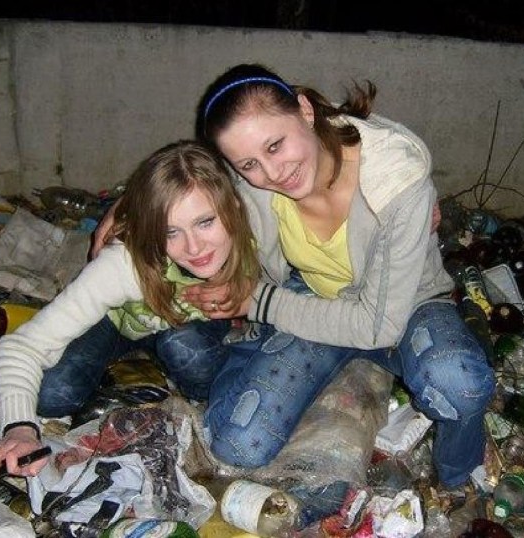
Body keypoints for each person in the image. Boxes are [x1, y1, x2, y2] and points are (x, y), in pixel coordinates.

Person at [95, 63, 495, 489]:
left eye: (275, 146)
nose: (272, 173)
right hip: (315, 303)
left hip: (405, 307)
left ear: (305, 110)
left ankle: (459, 478)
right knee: (239, 446)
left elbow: (378, 325)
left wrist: (256, 302)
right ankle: (252, 354)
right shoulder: (247, 171)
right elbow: (185, 177)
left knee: (458, 382)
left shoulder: (395, 177)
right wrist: (125, 208)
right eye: (249, 163)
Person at [0, 140, 260, 482]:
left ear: (233, 206)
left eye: (205, 222)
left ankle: (183, 386)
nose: (194, 248)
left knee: (188, 352)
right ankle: (130, 373)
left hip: (193, 329)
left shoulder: (261, 229)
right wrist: (18, 430)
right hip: (123, 321)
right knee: (52, 393)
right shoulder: (123, 265)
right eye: (171, 232)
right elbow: (23, 347)